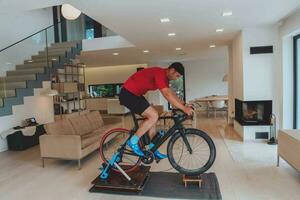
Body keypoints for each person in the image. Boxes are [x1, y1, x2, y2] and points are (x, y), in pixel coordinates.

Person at [119, 62, 193, 159]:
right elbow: (166, 94)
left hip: (136, 95)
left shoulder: (165, 78)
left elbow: (171, 93)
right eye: (177, 75)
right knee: (153, 115)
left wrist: (184, 104)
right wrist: (184, 109)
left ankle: (151, 148)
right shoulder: (159, 73)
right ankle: (133, 141)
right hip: (128, 94)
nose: (176, 78)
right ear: (172, 70)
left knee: (153, 118)